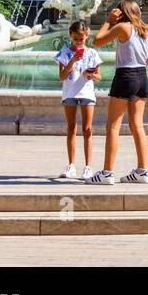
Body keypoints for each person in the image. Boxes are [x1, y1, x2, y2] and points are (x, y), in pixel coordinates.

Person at [89, 0, 148, 185]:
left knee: (113, 126)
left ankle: (106, 173)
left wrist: (108, 21)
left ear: (122, 13)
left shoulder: (122, 28)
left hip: (125, 75)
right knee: (138, 125)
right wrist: (138, 53)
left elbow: (96, 42)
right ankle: (142, 171)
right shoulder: (147, 30)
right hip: (141, 76)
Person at [55, 20, 102, 180]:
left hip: (87, 93)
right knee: (71, 128)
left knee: (88, 129)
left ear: (86, 36)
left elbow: (98, 77)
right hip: (69, 93)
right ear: (70, 36)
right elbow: (62, 76)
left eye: (81, 39)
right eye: (75, 39)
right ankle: (71, 165)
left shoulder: (93, 54)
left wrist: (90, 74)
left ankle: (88, 166)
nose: (78, 42)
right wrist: (72, 60)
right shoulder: (64, 53)